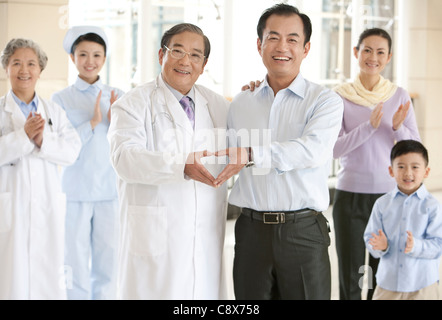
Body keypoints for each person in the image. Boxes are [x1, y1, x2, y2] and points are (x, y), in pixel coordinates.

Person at [216, 4, 344, 300]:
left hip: (303, 233)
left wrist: (251, 153)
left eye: (292, 39)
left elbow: (312, 150)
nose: (282, 47)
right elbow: (225, 154)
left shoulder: (324, 101)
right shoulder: (241, 103)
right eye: (273, 38)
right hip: (250, 233)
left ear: (306, 47)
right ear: (259, 45)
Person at [107, 23, 230, 299]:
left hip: (205, 233)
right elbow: (124, 157)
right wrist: (180, 165)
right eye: (177, 51)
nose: (185, 61)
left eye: (195, 55)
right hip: (155, 236)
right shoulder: (133, 103)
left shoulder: (219, 105)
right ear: (161, 55)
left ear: (204, 64)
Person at [332, 28, 421, 300]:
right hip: (350, 197)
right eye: (367, 50)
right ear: (356, 53)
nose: (373, 57)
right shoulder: (339, 96)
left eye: (380, 52)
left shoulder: (399, 96)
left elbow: (415, 149)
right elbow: (334, 149)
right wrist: (369, 127)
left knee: (379, 273)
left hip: (388, 199)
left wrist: (397, 129)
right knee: (350, 273)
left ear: (389, 57)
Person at [0, 38, 81, 299]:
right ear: (6, 68)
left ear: (40, 71)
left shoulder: (54, 111)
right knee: (9, 277)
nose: (24, 70)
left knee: (46, 276)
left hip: (46, 205)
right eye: (16, 63)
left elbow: (72, 151)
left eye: (31, 64)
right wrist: (22, 137)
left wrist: (43, 140)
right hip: (8, 207)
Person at [51, 26, 124, 300]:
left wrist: (114, 119)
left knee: (108, 261)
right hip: (75, 192)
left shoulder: (118, 96)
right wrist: (92, 123)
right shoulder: (60, 99)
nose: (90, 61)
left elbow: (127, 143)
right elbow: (59, 146)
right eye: (83, 54)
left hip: (109, 192)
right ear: (73, 58)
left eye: (96, 54)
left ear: (104, 59)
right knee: (75, 261)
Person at [364, 139, 442, 300]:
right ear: (391, 170)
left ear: (426, 172)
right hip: (388, 284)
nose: (408, 173)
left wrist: (416, 245)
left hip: (423, 285)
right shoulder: (382, 204)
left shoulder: (432, 206)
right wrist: (380, 247)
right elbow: (370, 238)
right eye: (401, 167)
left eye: (415, 167)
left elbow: (438, 245)